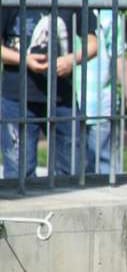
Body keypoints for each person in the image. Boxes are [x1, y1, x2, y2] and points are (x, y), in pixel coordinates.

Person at [0, 7, 98, 178]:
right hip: (16, 98)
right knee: (19, 174)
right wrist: (24, 59)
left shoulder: (72, 2)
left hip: (62, 99)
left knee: (73, 171)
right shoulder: (10, 3)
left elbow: (92, 44)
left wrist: (70, 60)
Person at [74, 9, 127, 174]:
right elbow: (119, 61)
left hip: (86, 103)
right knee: (103, 167)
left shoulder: (70, 11)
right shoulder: (108, 15)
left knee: (84, 166)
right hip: (88, 104)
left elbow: (119, 61)